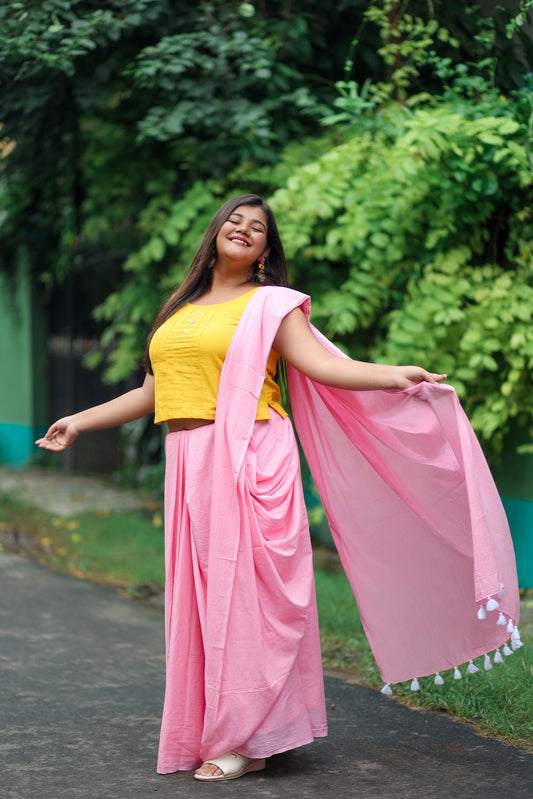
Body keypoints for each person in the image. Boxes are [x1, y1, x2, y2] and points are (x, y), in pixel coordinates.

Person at [36, 193, 519, 782]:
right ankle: (231, 727)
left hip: (251, 456)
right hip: (189, 461)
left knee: (251, 601)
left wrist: (395, 374)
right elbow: (154, 392)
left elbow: (319, 364)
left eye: (257, 227)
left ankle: (249, 738)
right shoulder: (176, 309)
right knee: (205, 603)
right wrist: (79, 421)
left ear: (266, 249)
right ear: (214, 234)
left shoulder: (272, 305)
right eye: (234, 221)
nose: (243, 230)